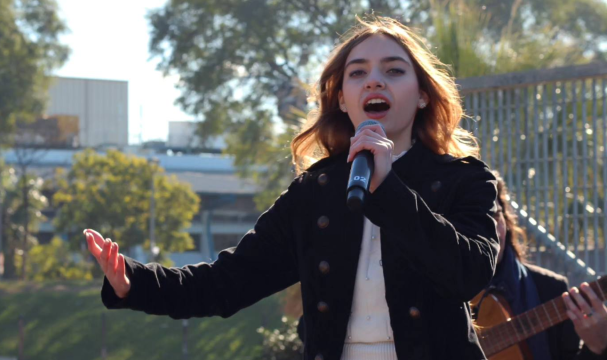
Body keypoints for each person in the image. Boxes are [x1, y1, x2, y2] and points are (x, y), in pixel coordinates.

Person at [85, 16, 500, 360]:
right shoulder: (315, 191)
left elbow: (469, 274)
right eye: (358, 73)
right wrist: (134, 283)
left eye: (393, 70)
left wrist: (388, 188)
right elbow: (228, 281)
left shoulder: (466, 179)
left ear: (423, 95)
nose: (374, 81)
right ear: (341, 99)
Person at [473, 172, 607, 360]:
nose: (490, 231)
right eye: (475, 220)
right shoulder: (428, 294)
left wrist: (597, 348)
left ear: (506, 220)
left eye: (494, 216)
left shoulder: (549, 289)